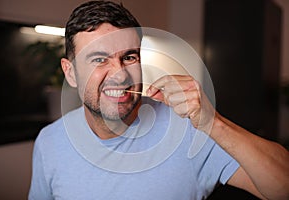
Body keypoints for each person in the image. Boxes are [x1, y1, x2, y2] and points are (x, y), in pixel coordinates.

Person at [28, 1, 289, 199]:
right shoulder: (49, 142)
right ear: (70, 73)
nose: (119, 74)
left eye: (129, 57)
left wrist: (213, 122)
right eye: (99, 59)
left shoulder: (189, 131)